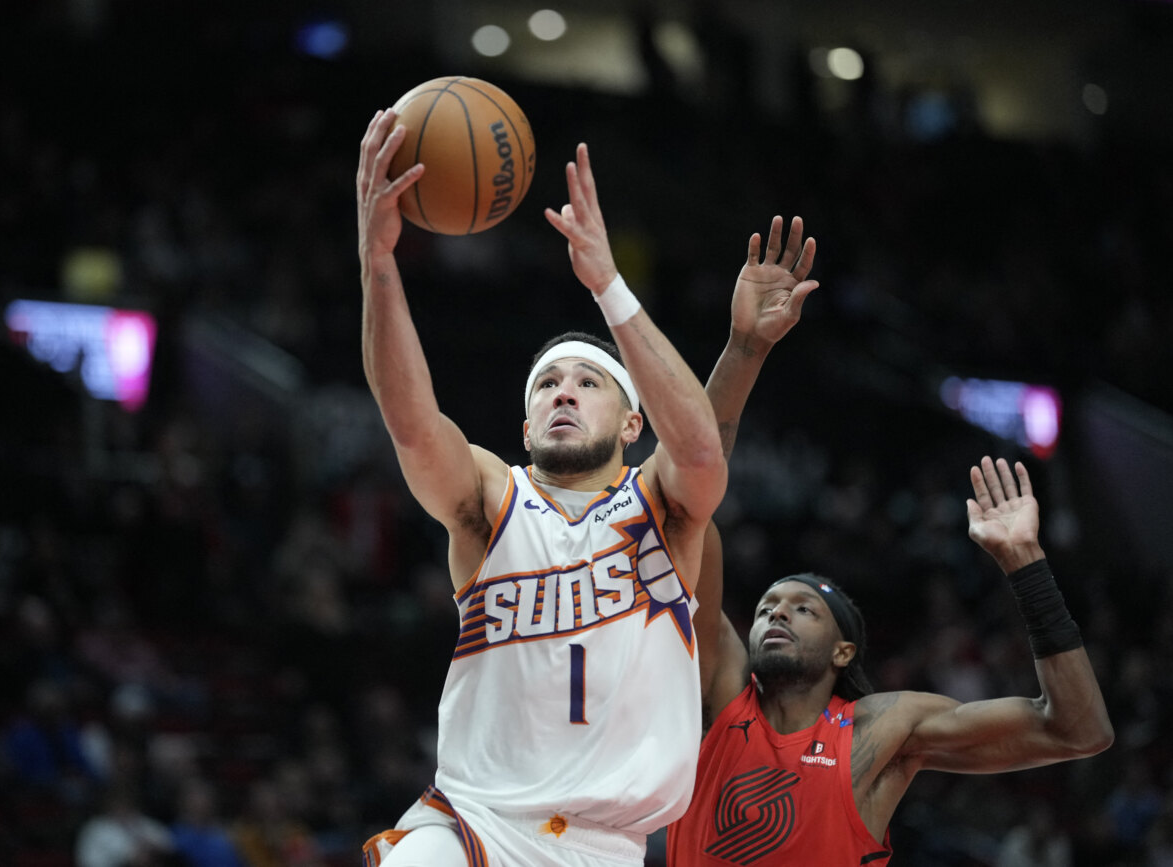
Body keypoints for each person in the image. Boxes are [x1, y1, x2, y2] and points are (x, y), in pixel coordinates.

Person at [663, 218, 1115, 864]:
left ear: (844, 648)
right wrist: (743, 348)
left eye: (801, 606)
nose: (774, 612)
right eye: (766, 605)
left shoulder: (882, 728)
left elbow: (1079, 728)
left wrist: (1026, 565)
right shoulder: (722, 692)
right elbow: (688, 493)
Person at [355, 107, 728, 866]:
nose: (562, 392)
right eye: (546, 384)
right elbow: (414, 427)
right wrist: (379, 264)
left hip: (609, 843)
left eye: (588, 382)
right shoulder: (493, 499)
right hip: (474, 819)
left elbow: (699, 448)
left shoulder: (664, 506)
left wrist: (609, 286)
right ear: (524, 427)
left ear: (631, 423)